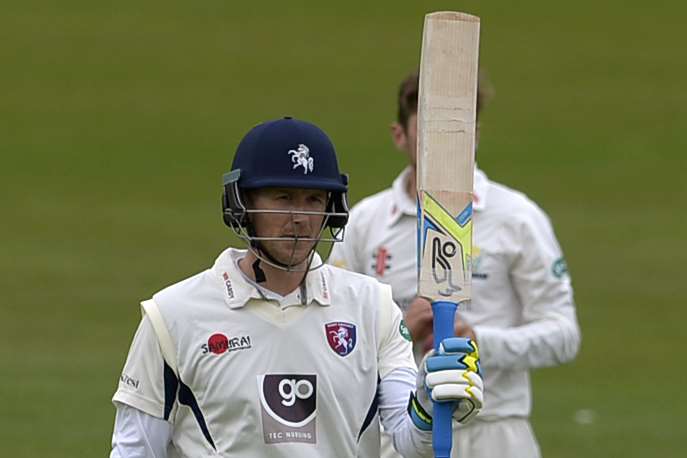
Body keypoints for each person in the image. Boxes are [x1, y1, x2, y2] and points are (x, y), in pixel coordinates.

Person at [109, 116, 484, 457]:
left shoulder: (373, 307)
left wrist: (427, 404)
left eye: (313, 199)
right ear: (242, 202)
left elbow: (410, 442)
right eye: (282, 198)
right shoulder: (172, 316)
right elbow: (134, 451)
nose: (299, 218)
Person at [329, 73, 581, 458]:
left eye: (457, 130)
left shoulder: (517, 218)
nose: (444, 142)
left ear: (475, 135)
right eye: (429, 129)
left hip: (495, 431)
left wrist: (479, 342)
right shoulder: (366, 223)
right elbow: (333, 338)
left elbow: (564, 335)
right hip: (400, 433)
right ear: (400, 135)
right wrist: (399, 333)